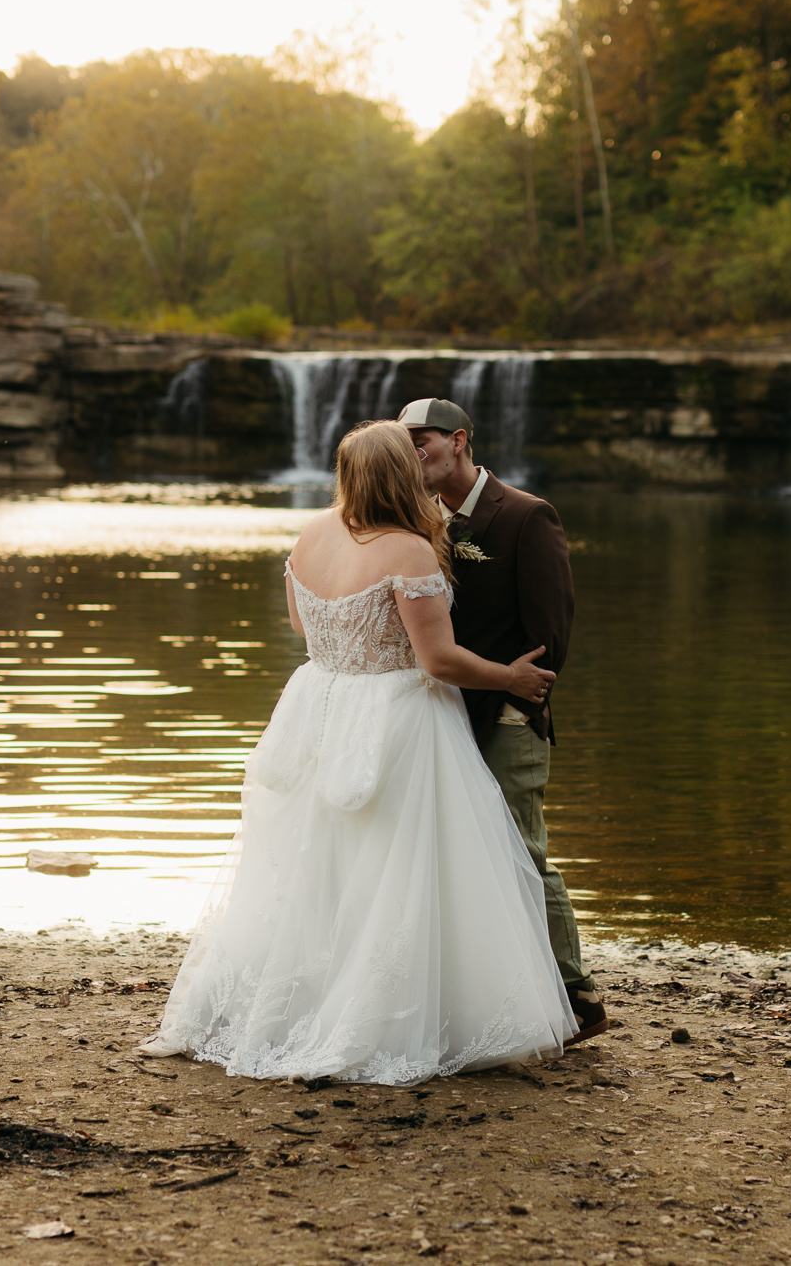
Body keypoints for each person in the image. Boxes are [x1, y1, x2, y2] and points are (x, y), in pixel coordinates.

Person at [138, 419, 577, 1084]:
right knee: (399, 870)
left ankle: (293, 1005)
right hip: (397, 717)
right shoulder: (409, 550)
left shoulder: (312, 534)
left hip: (320, 706)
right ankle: (389, 1016)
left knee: (321, 866)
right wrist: (510, 677)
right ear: (401, 474)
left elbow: (298, 622)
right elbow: (438, 658)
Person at [396, 397, 610, 1042]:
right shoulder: (417, 524)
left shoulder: (523, 515)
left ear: (458, 439)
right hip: (438, 714)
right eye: (402, 446)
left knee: (520, 851)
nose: (413, 456)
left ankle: (577, 995)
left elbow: (552, 635)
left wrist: (515, 702)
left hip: (508, 715)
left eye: (422, 441)